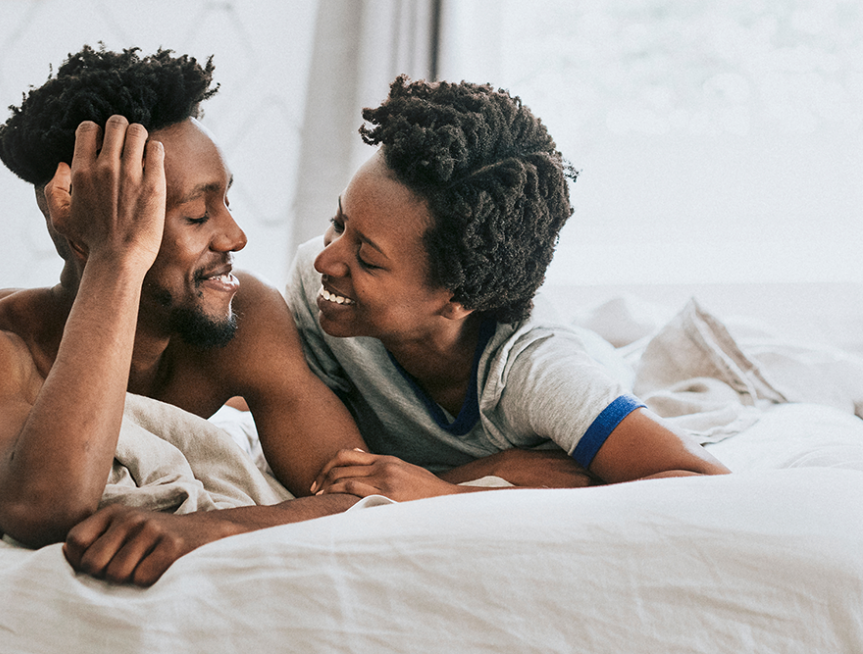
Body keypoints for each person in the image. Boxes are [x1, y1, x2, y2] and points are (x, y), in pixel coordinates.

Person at [0, 45, 374, 586]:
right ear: (79, 225)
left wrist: (214, 528)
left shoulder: (245, 314)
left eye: (225, 203)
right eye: (198, 214)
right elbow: (46, 506)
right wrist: (113, 256)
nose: (235, 237)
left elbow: (359, 490)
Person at [289, 76, 730, 502]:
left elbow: (707, 484)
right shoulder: (319, 288)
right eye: (339, 222)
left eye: (367, 258)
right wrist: (485, 471)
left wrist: (449, 495)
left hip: (590, 360)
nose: (325, 259)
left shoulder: (540, 376)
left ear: (458, 297)